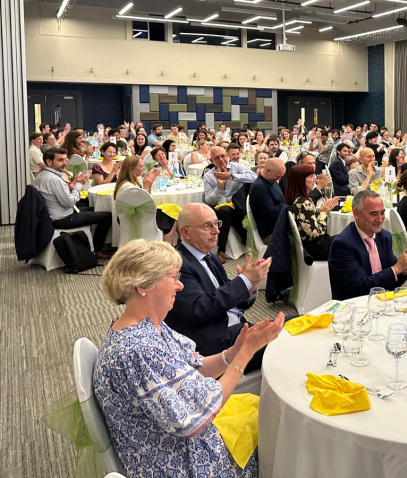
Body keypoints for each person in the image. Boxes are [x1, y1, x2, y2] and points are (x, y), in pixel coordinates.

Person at [94, 240, 283, 478]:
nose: (180, 285)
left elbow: (195, 367)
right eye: (173, 277)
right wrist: (246, 354)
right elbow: (196, 419)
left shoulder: (148, 327)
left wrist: (234, 351)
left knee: (270, 426)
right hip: (179, 465)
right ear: (143, 286)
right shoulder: (138, 350)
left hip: (178, 448)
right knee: (276, 443)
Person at [165, 203, 272, 373]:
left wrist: (250, 286)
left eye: (216, 224)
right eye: (207, 226)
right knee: (286, 337)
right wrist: (243, 281)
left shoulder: (211, 258)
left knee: (294, 325)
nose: (216, 231)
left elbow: (230, 300)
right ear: (185, 232)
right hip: (213, 346)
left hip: (233, 327)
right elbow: (200, 308)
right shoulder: (177, 265)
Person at [328, 190, 407, 301]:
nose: (380, 219)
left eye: (382, 213)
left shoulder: (385, 237)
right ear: (356, 213)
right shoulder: (343, 244)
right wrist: (397, 268)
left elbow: (392, 279)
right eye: (373, 214)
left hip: (384, 303)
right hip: (354, 306)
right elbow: (359, 287)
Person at [32, 148, 113, 258]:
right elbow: (69, 202)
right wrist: (79, 185)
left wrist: (71, 188)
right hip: (63, 218)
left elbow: (57, 196)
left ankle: (93, 245)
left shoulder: (42, 175)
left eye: (65, 160)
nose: (65, 163)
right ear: (49, 161)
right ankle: (98, 250)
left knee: (97, 208)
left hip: (54, 215)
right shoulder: (54, 179)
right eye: (60, 160)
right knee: (107, 216)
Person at [204, 146, 257, 263]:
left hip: (239, 204)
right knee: (225, 211)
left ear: (227, 156)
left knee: (229, 210)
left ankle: (223, 249)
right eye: (216, 158)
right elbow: (208, 200)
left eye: (223, 156)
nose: (221, 159)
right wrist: (219, 188)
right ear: (211, 160)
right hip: (221, 206)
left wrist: (231, 176)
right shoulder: (208, 175)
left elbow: (254, 177)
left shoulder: (237, 167)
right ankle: (222, 249)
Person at [114, 156, 178, 243]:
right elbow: (143, 205)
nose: (144, 168)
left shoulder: (128, 183)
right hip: (137, 219)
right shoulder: (128, 187)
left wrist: (147, 187)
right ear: (132, 169)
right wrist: (147, 187)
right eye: (141, 166)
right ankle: (167, 246)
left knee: (170, 211)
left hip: (130, 218)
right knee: (171, 217)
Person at [286, 164, 339, 260]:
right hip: (316, 248)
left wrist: (321, 211)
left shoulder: (298, 199)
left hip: (313, 245)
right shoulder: (302, 203)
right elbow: (314, 234)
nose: (315, 180)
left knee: (348, 237)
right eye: (311, 177)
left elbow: (310, 224)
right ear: (301, 180)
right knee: (350, 239)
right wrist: (324, 213)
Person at [248, 157, 286, 244]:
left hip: (278, 226)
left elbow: (281, 202)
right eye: (278, 176)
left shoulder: (272, 181)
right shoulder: (259, 187)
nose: (279, 179)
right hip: (270, 233)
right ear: (268, 170)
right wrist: (285, 204)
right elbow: (273, 214)